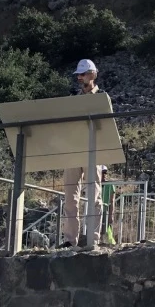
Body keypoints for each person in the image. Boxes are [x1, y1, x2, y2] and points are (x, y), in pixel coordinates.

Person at [61, 58, 106, 248]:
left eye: (84, 74)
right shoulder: (73, 99)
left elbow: (107, 130)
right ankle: (70, 240)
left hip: (94, 150)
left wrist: (103, 164)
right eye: (79, 75)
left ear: (93, 75)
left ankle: (93, 239)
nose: (80, 78)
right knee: (70, 198)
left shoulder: (103, 97)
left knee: (94, 197)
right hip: (73, 150)